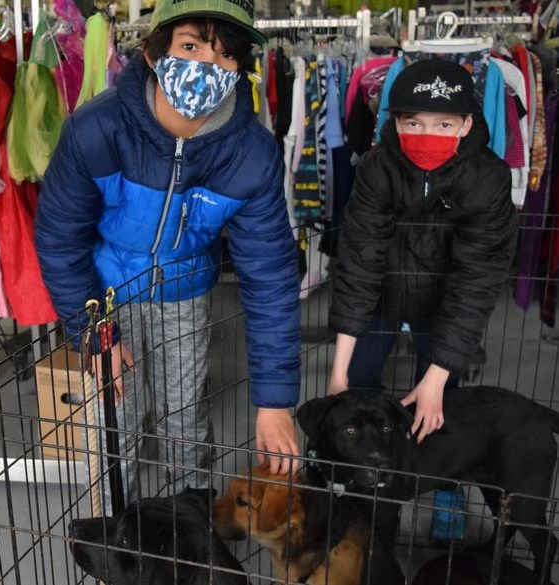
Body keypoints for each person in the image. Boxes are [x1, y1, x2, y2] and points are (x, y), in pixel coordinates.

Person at [35, 0, 301, 506]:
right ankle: (116, 540)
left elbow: (270, 276)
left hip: (185, 295)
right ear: (155, 54)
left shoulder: (252, 154)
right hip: (106, 294)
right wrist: (97, 335)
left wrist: (276, 401)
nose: (207, 65)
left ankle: (191, 534)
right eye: (190, 45)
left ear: (242, 69)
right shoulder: (97, 129)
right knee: (117, 423)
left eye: (226, 55)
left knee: (186, 420)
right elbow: (60, 238)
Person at [328, 59, 518, 443]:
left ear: (466, 124)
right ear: (396, 122)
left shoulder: (489, 177)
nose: (427, 134)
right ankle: (366, 479)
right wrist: (337, 372)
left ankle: (441, 486)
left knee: (438, 402)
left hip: (443, 306)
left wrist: (438, 372)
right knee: (357, 390)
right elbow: (360, 257)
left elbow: (476, 279)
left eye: (443, 124)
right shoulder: (376, 166)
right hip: (380, 298)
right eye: (414, 123)